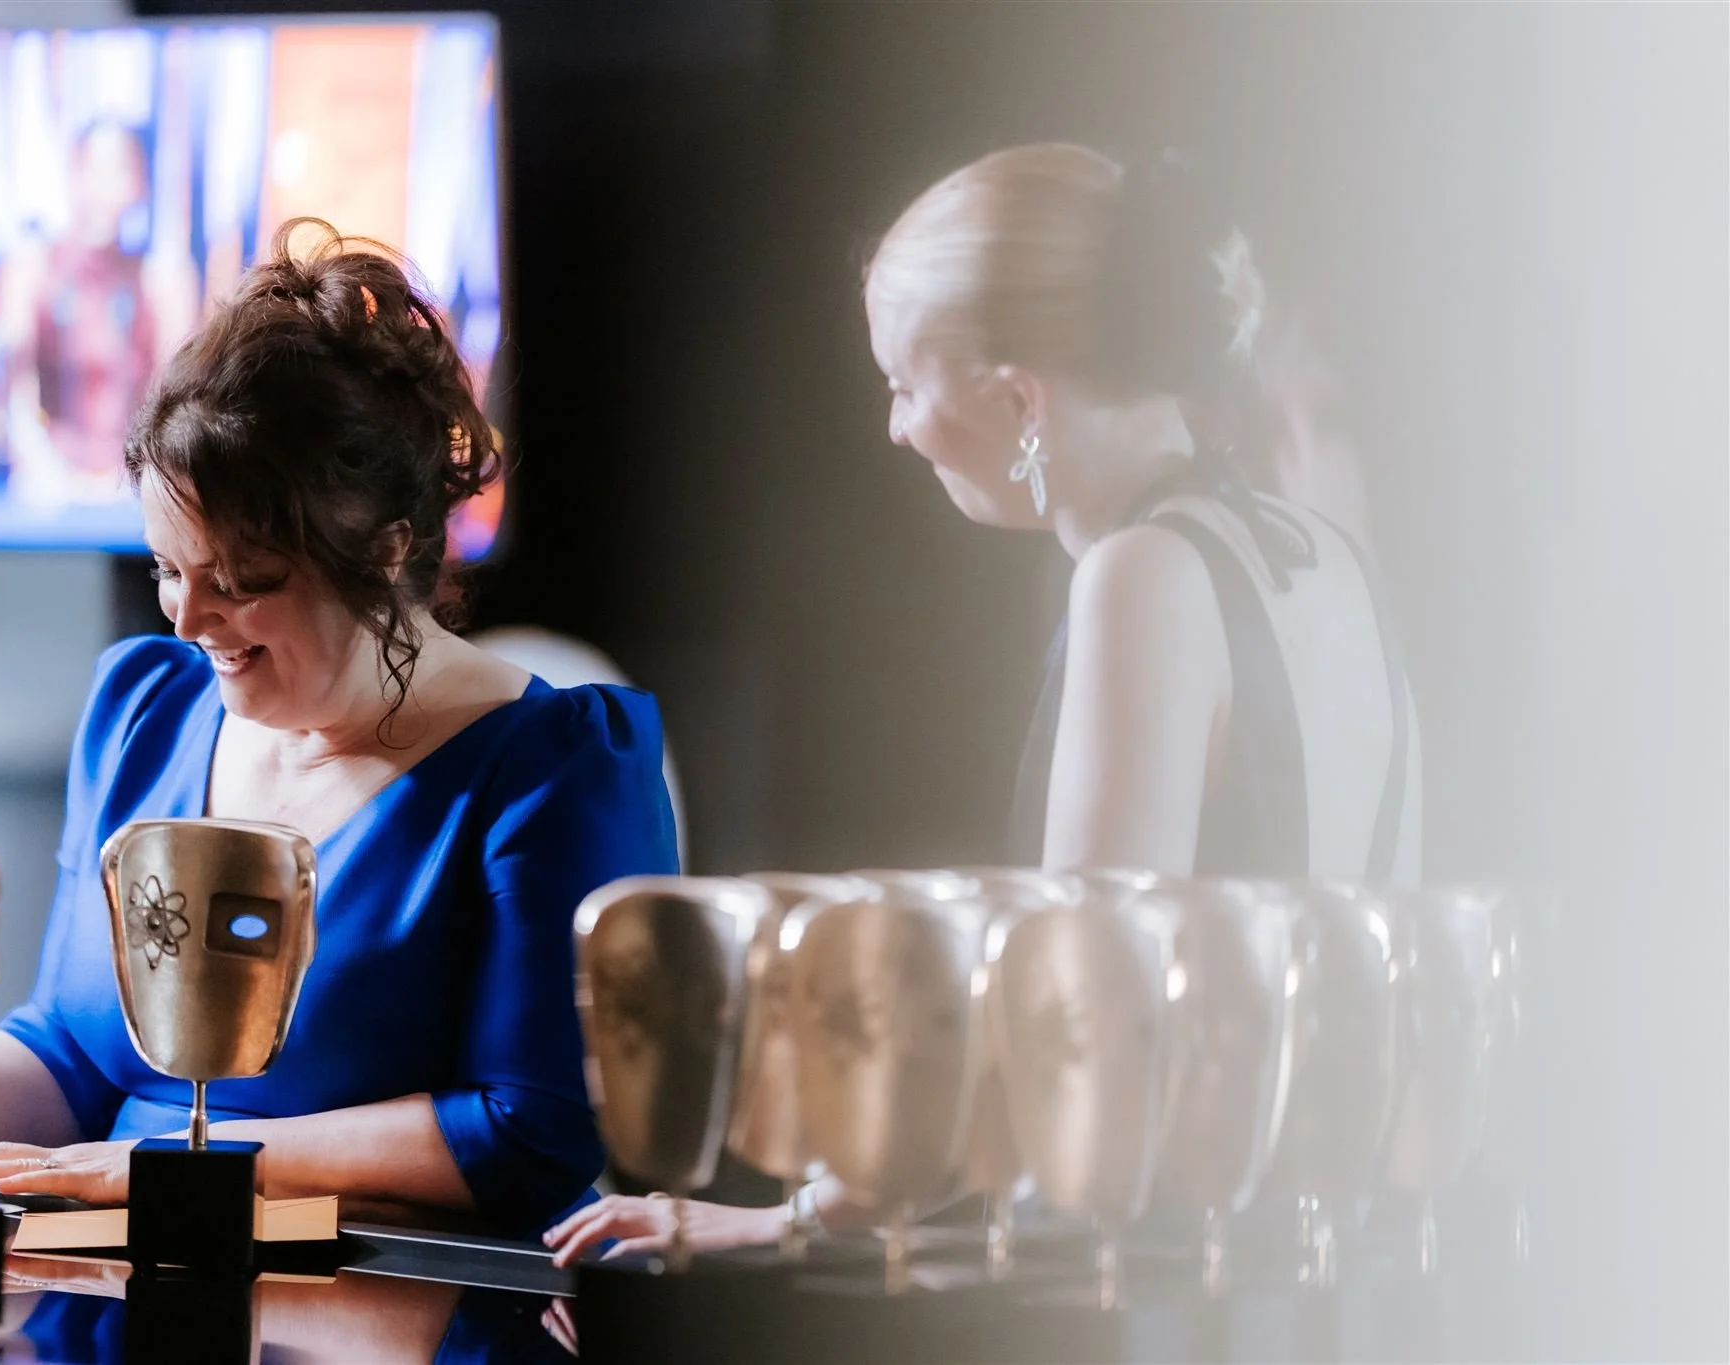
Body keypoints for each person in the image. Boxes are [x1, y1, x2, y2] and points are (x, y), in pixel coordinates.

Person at [547, 142, 1421, 1264]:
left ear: (1018, 399)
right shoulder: (1324, 554)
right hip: (1334, 1262)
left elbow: (1073, 1037)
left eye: (905, 383)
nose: (896, 427)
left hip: (1166, 1283)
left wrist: (783, 1222)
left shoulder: (1140, 575)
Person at [0, 219, 680, 1238]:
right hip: (113, 1273)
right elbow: (75, 1062)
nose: (184, 617)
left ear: (386, 548)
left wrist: (186, 1166)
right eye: (167, 570)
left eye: (240, 582)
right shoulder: (142, 711)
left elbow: (532, 1133)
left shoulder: (554, 768)